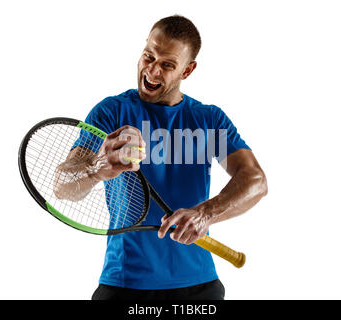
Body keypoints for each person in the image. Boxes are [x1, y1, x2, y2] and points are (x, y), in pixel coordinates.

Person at [54, 15, 268, 300]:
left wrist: (206, 213)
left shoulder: (208, 120)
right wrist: (98, 167)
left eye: (167, 65)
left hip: (199, 287)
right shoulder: (112, 112)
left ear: (187, 70)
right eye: (148, 57)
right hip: (124, 284)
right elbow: (61, 184)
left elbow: (255, 180)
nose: (152, 71)